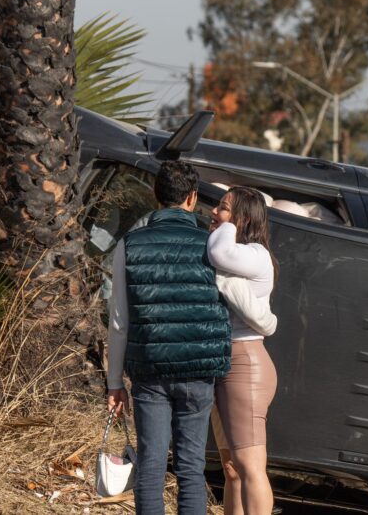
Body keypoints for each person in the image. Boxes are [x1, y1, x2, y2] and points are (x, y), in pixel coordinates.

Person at [105, 161, 272, 514]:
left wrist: (114, 381)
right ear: (193, 198)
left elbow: (119, 320)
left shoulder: (130, 244)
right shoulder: (210, 247)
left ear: (155, 195)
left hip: (150, 371)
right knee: (190, 467)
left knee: (150, 465)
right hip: (199, 372)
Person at [207, 186, 279, 515]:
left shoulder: (255, 254)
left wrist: (227, 225)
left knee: (250, 467)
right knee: (232, 470)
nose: (214, 213)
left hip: (245, 363)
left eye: (222, 208)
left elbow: (219, 255)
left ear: (242, 219)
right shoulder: (237, 250)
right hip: (225, 361)